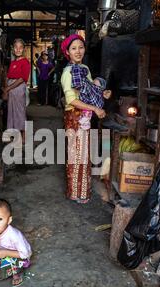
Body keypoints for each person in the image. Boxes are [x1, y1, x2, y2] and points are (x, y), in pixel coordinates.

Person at [60, 34, 111, 204]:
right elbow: (71, 100)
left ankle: (82, 191)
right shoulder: (68, 72)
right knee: (76, 156)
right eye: (73, 48)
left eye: (80, 47)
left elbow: (90, 91)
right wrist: (95, 108)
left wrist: (103, 93)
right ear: (67, 52)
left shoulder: (85, 69)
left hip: (84, 116)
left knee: (83, 154)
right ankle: (75, 192)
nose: (78, 51)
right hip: (74, 116)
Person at [2, 38, 31, 143]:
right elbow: (8, 76)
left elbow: (22, 79)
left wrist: (8, 88)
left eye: (20, 47)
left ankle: (24, 135)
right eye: (16, 47)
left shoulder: (25, 62)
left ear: (23, 49)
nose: (18, 50)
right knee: (11, 112)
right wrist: (6, 87)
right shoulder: (13, 62)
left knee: (20, 112)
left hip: (18, 89)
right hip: (11, 90)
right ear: (13, 49)